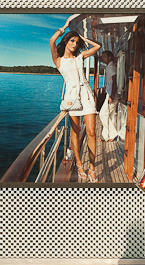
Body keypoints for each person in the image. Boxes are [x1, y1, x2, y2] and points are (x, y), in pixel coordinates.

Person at [50, 23, 101, 182]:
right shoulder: (58, 60)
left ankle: (92, 168)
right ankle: (79, 164)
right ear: (66, 41)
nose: (74, 44)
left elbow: (98, 46)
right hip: (72, 98)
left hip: (86, 95)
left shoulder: (81, 56)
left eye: (77, 42)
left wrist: (83, 38)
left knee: (91, 132)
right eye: (72, 41)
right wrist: (63, 28)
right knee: (75, 132)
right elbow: (52, 41)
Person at [98, 51, 119, 142]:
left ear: (109, 57)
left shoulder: (111, 67)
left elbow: (115, 81)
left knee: (102, 114)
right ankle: (106, 136)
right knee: (108, 115)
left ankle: (113, 134)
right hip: (110, 94)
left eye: (104, 57)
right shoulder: (109, 67)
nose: (102, 58)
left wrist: (112, 95)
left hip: (112, 94)